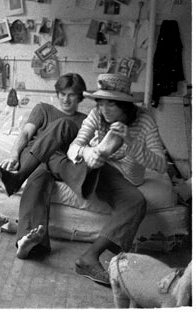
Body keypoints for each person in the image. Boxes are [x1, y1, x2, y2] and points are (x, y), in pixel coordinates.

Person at [67, 73, 166, 285]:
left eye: (110, 105)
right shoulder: (96, 115)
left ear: (125, 106)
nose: (104, 110)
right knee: (95, 158)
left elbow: (161, 164)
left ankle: (96, 258)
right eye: (100, 103)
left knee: (136, 201)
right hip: (101, 169)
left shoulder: (144, 119)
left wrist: (130, 141)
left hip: (129, 176)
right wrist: (86, 153)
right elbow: (74, 147)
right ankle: (90, 258)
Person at [0, 73, 89, 260]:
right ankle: (29, 243)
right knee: (38, 180)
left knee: (62, 127)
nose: (65, 99)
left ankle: (17, 178)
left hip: (61, 161)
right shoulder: (43, 109)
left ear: (80, 97)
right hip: (36, 159)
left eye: (71, 94)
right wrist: (13, 155)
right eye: (62, 94)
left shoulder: (85, 121)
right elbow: (26, 134)